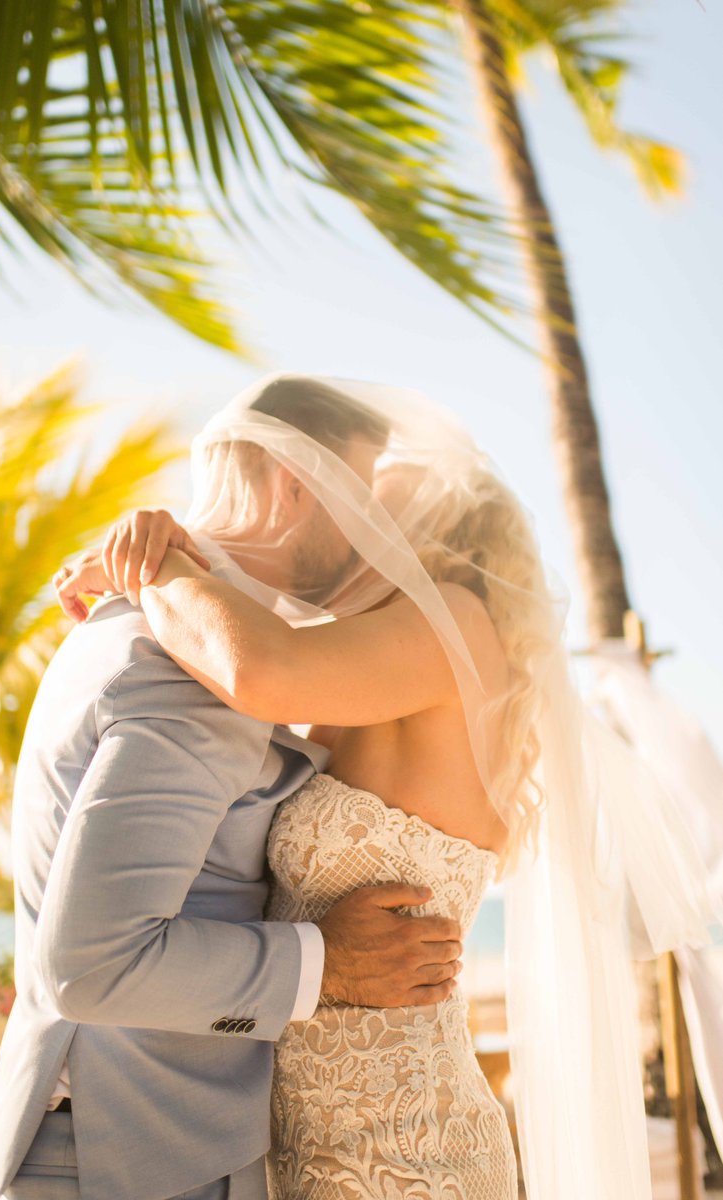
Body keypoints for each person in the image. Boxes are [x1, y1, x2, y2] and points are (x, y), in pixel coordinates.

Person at [57, 372, 721, 1200]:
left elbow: (258, 666)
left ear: (438, 540)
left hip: (408, 1141)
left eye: (377, 507)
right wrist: (167, 542)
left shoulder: (459, 627)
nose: (356, 523)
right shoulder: (369, 676)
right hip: (312, 1139)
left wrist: (149, 567)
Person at [0, 380, 464, 1200]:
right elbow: (87, 965)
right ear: (290, 481)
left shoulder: (144, 623)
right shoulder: (192, 668)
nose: (380, 539)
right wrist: (326, 962)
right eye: (363, 498)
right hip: (130, 1156)